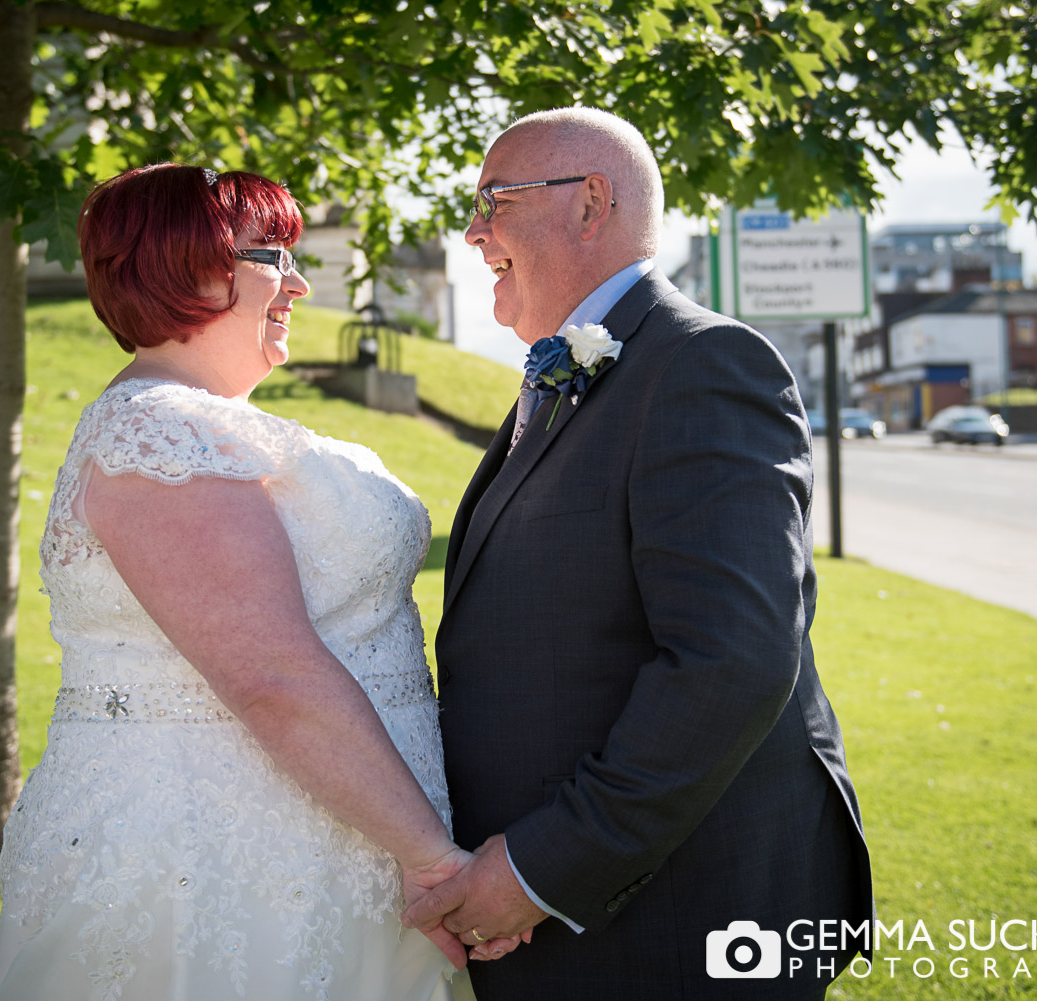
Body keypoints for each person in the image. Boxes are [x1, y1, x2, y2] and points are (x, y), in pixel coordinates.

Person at [0, 163, 514, 1001]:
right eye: (270, 254)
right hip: (222, 856)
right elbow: (272, 677)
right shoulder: (155, 439)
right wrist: (432, 860)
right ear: (184, 264)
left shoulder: (204, 423)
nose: (299, 282)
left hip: (325, 840)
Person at [403, 109, 873, 1000]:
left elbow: (729, 663)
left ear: (591, 202)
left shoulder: (705, 366)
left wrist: (542, 868)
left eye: (493, 199)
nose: (471, 230)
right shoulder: (562, 375)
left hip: (677, 916)